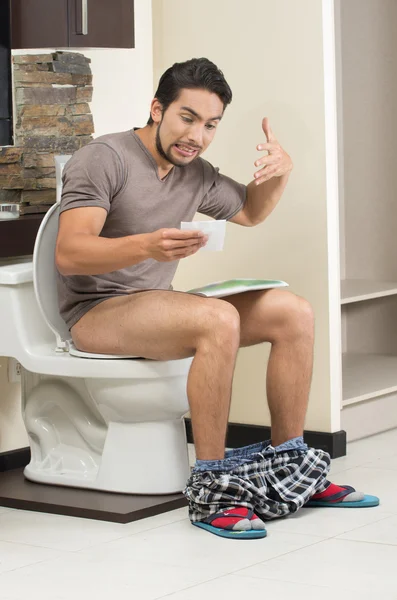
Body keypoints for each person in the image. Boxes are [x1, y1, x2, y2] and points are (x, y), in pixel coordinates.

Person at [55, 57, 379, 540]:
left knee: (292, 312)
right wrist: (146, 245)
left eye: (210, 125)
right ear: (157, 109)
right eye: (187, 118)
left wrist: (279, 171)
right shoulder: (105, 157)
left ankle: (293, 468)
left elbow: (249, 211)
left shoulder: (196, 171)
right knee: (217, 319)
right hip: (96, 312)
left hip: (154, 304)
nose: (197, 136)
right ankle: (213, 490)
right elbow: (69, 253)